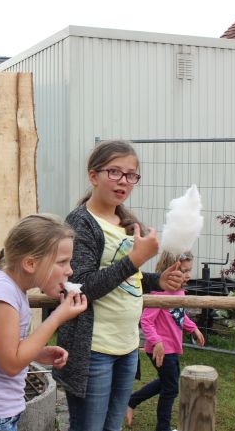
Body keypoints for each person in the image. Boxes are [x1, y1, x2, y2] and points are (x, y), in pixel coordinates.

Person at [52, 140, 184, 431]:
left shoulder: (126, 222)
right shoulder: (81, 222)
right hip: (94, 348)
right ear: (93, 175)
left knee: (113, 427)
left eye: (131, 175)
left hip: (127, 345)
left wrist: (158, 280)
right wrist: (135, 259)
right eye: (114, 172)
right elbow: (80, 287)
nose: (123, 181)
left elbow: (127, 280)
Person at [0, 214, 88, 431]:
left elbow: (2, 349)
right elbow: (11, 365)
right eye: (62, 262)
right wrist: (56, 317)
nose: (70, 270)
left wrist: (37, 353)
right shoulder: (4, 293)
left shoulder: (7, 284)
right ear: (30, 263)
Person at [125, 251, 205, 431]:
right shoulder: (159, 293)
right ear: (170, 270)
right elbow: (146, 320)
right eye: (184, 271)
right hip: (160, 350)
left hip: (172, 348)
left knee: (167, 382)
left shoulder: (179, 292)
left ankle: (132, 401)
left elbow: (179, 315)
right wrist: (157, 341)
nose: (188, 275)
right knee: (171, 388)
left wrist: (193, 328)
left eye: (189, 270)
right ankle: (163, 428)